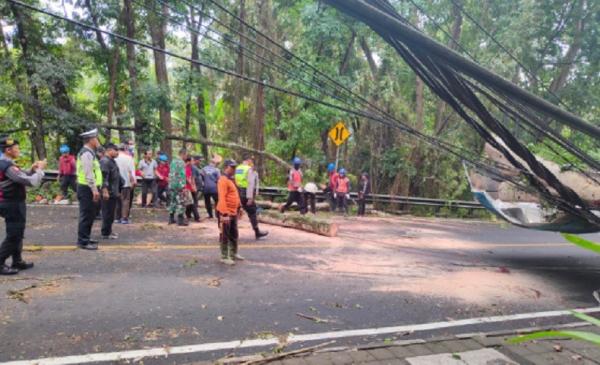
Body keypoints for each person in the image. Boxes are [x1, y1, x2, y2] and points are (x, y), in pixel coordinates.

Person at [0, 136, 46, 275]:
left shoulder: (8, 164)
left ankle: (17, 260)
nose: (18, 150)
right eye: (16, 148)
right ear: (8, 150)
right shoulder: (6, 165)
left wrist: (31, 170)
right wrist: (40, 170)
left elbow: (20, 176)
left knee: (17, 234)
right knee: (14, 234)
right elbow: (30, 182)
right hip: (10, 203)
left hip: (13, 202)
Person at [76, 128, 103, 250]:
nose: (97, 141)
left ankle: (86, 237)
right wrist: (94, 189)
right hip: (86, 188)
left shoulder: (90, 152)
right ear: (91, 140)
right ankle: (83, 241)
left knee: (90, 214)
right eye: (96, 138)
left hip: (89, 188)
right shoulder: (86, 153)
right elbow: (88, 173)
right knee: (86, 214)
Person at [235, 155, 268, 239]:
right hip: (246, 193)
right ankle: (257, 232)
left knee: (236, 213)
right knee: (252, 212)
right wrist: (250, 197)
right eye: (251, 161)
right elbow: (250, 184)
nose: (252, 163)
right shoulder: (249, 169)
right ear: (249, 160)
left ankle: (232, 232)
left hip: (238, 192)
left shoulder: (238, 168)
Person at [217, 159, 243, 265]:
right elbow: (222, 197)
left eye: (235, 167)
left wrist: (239, 206)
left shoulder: (231, 179)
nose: (234, 169)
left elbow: (235, 194)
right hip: (226, 212)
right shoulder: (223, 180)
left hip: (233, 212)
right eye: (232, 167)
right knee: (225, 234)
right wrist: (224, 214)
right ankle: (224, 256)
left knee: (234, 233)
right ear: (226, 167)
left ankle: (233, 253)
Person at [100, 143, 121, 239]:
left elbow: (116, 177)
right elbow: (104, 177)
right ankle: (105, 233)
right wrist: (105, 190)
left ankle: (109, 230)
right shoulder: (105, 161)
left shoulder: (112, 161)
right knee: (107, 213)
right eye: (115, 150)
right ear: (109, 150)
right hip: (108, 192)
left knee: (111, 213)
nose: (117, 152)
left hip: (113, 191)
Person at [115, 143, 136, 224]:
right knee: (125, 200)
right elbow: (131, 171)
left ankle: (116, 217)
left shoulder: (114, 158)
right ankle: (124, 218)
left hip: (116, 183)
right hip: (126, 182)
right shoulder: (129, 158)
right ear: (126, 149)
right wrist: (133, 181)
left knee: (117, 200)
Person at [168, 148, 190, 226]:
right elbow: (182, 175)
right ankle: (180, 220)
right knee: (181, 201)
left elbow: (170, 173)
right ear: (183, 154)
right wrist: (183, 186)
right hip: (179, 185)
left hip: (172, 184)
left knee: (173, 201)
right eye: (186, 155)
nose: (186, 157)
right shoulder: (182, 163)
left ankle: (171, 218)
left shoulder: (173, 161)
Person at [201, 154, 221, 219]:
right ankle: (217, 214)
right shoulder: (217, 170)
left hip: (206, 188)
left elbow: (202, 177)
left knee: (207, 202)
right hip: (214, 188)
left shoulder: (204, 169)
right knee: (217, 201)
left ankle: (210, 215)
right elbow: (219, 179)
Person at [186, 156, 204, 222]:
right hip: (193, 187)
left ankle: (188, 214)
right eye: (199, 160)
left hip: (195, 186)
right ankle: (197, 217)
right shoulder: (192, 167)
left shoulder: (196, 167)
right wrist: (193, 186)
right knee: (194, 202)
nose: (200, 162)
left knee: (192, 202)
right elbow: (192, 178)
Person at [183, 156, 198, 223]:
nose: (193, 162)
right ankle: (197, 217)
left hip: (188, 187)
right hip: (186, 188)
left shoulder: (189, 167)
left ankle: (189, 215)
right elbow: (188, 178)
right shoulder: (186, 168)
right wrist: (192, 186)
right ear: (188, 161)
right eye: (192, 161)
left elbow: (191, 178)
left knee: (190, 203)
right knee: (191, 202)